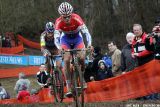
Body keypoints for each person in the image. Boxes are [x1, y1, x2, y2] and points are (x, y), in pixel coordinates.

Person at [54, 2, 92, 97]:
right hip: (65, 40)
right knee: (66, 60)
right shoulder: (58, 22)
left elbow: (86, 33)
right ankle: (69, 86)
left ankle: (81, 77)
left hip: (77, 39)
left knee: (82, 58)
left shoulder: (77, 18)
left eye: (68, 16)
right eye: (64, 17)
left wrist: (89, 44)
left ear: (71, 14)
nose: (67, 19)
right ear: (61, 16)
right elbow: (56, 38)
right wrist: (59, 48)